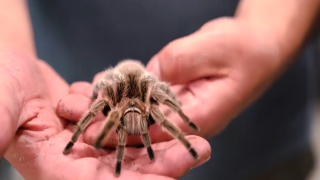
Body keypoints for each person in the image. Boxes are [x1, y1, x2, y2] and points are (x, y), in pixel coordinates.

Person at [0, 0, 319, 180]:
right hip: (57, 107)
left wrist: (267, 34)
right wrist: (9, 51)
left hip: (265, 147)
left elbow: (160, 96)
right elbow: (102, 97)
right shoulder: (113, 98)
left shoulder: (150, 98)